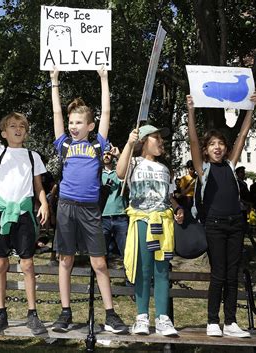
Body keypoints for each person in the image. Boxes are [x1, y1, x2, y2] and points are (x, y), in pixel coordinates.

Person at [49, 67, 128, 334]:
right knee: (65, 261)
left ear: (90, 126)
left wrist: (104, 79)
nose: (73, 126)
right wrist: (54, 81)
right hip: (66, 207)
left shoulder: (97, 144)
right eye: (71, 123)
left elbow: (106, 112)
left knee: (100, 263)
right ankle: (65, 313)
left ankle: (111, 314)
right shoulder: (64, 144)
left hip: (91, 210)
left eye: (79, 123)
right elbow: (56, 113)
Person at [0, 92, 49, 336]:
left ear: (26, 132)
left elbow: (38, 186)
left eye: (22, 126)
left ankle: (32, 313)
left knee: (27, 264)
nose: (18, 129)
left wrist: (44, 203)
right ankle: (0, 312)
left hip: (25, 214)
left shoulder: (32, 156)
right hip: (1, 212)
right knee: (0, 263)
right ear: (4, 132)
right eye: (12, 126)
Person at [187, 92, 256, 338]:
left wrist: (251, 108)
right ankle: (212, 321)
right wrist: (191, 112)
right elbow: (193, 141)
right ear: (206, 151)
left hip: (236, 225)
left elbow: (243, 135)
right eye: (212, 145)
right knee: (218, 274)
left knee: (232, 273)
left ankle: (230, 322)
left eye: (221, 144)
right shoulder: (203, 169)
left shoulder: (230, 165)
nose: (217, 148)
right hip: (215, 226)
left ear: (226, 149)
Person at [116, 124, 183, 337]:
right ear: (143, 141)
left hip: (163, 224)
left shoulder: (165, 169)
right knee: (143, 270)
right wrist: (129, 143)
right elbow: (119, 172)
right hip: (142, 222)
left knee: (162, 270)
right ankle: (141, 317)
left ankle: (163, 318)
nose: (161, 141)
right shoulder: (134, 163)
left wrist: (178, 207)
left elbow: (168, 196)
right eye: (156, 138)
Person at [101, 144, 129, 262]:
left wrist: (119, 155)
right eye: (104, 153)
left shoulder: (120, 173)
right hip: (102, 218)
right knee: (101, 255)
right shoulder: (96, 174)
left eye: (109, 153)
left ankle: (130, 280)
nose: (107, 156)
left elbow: (130, 169)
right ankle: (101, 280)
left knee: (127, 253)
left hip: (120, 216)